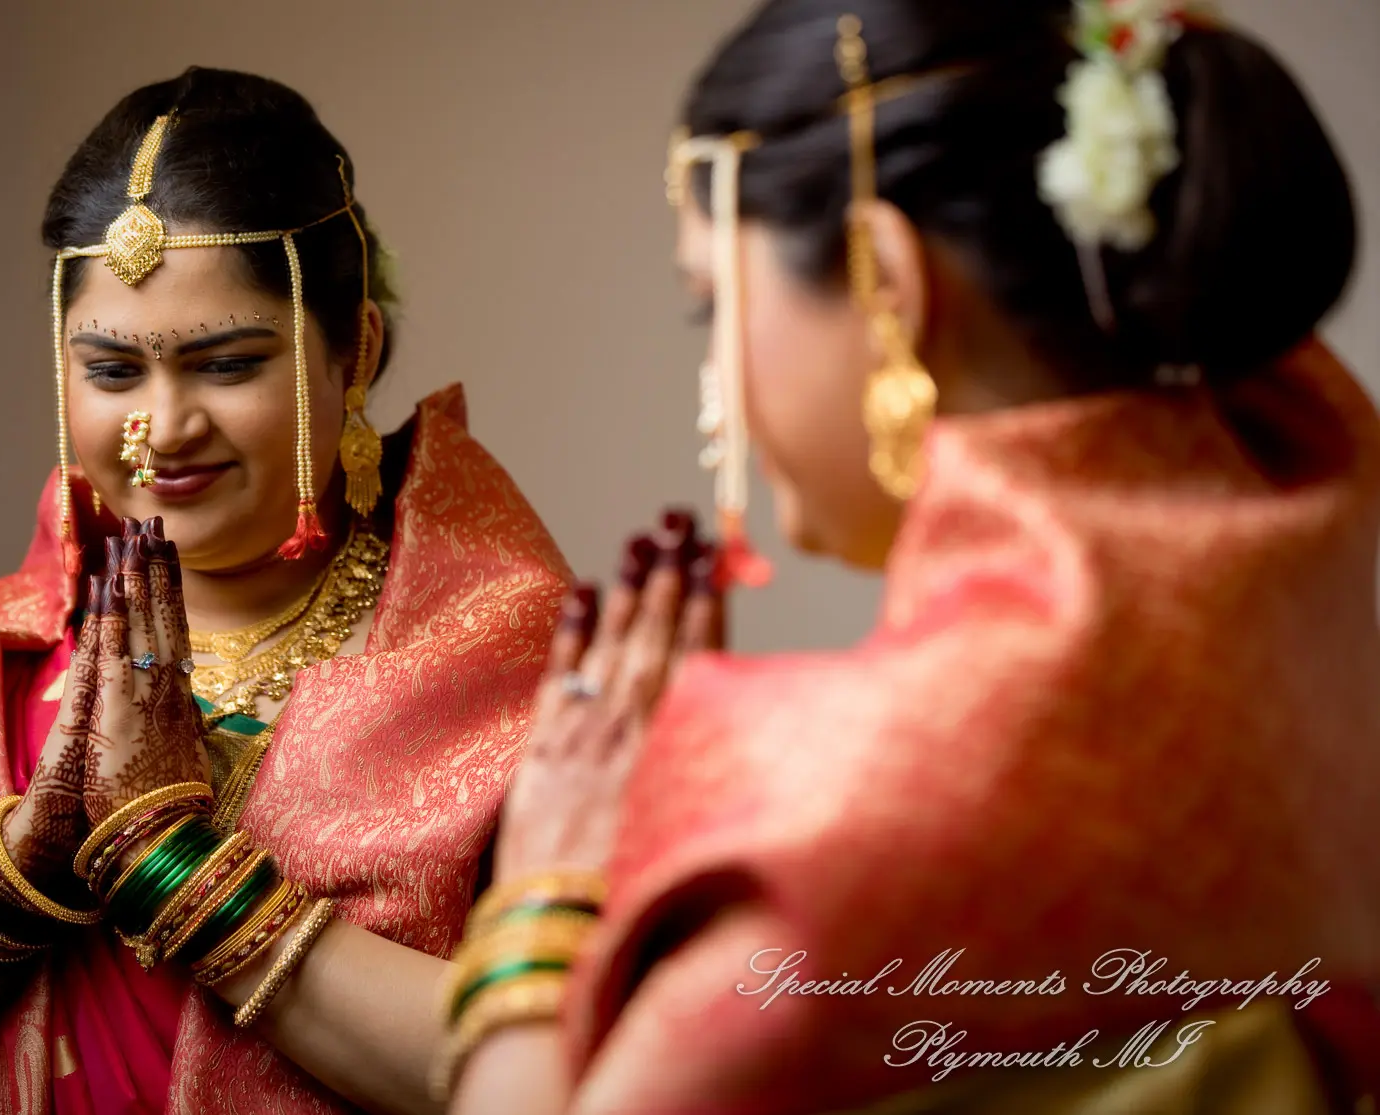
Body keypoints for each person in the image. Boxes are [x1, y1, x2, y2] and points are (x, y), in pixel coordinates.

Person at [439, 1, 1380, 1112]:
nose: (722, 390)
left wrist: (552, 880)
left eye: (713, 306)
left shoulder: (859, 813)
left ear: (886, 276)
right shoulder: (1311, 628)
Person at [0, 67, 569, 1114]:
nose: (164, 427)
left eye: (227, 363)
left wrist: (180, 874)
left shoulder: (518, 662)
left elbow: (587, 1073)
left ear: (359, 350)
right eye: (111, 371)